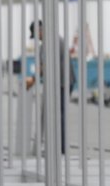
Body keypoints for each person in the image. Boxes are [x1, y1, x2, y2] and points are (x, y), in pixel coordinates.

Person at [25, 20, 75, 154]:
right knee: (57, 114)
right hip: (61, 82)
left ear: (40, 30)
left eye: (36, 35)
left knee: (59, 115)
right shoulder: (52, 39)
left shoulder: (51, 42)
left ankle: (61, 149)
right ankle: (58, 147)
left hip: (62, 83)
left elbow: (45, 65)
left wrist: (33, 80)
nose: (37, 38)